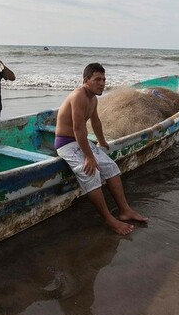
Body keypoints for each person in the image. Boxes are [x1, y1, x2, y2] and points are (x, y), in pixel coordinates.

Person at [55, 63, 148, 235]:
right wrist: (89, 157)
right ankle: (109, 219)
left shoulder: (93, 99)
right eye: (97, 79)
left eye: (104, 79)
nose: (102, 83)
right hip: (66, 144)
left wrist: (102, 141)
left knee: (111, 167)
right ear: (86, 80)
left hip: (80, 142)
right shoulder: (78, 96)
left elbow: (95, 121)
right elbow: (78, 129)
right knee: (91, 172)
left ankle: (125, 210)